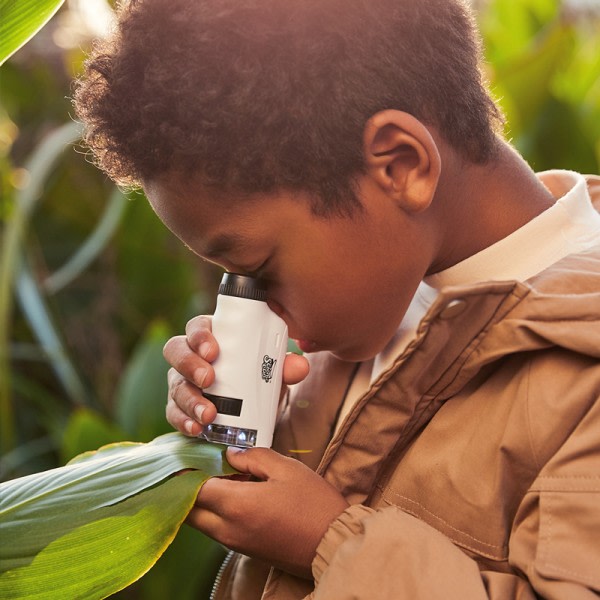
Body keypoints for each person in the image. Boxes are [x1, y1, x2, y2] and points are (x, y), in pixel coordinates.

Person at [73, 0, 600, 597]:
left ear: (401, 164)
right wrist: (256, 424)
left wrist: (328, 541)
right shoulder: (382, 291)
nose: (255, 307)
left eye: (257, 269)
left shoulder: (584, 363)